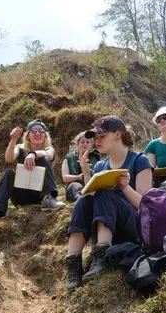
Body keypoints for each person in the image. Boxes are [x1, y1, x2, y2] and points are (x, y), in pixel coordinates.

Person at [65, 116, 152, 290]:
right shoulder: (100, 166)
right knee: (83, 199)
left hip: (132, 226)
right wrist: (85, 171)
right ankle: (73, 264)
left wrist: (125, 187)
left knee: (104, 193)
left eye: (102, 136)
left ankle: (102, 255)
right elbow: (91, 199)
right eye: (95, 137)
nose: (97, 141)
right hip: (105, 224)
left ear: (117, 134)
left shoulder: (139, 161)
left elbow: (145, 206)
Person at [0, 119, 66, 222]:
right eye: (34, 130)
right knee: (9, 173)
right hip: (21, 195)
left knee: (44, 159)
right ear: (28, 135)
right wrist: (13, 140)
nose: (38, 133)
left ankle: (48, 199)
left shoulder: (49, 149)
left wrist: (33, 154)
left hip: (39, 196)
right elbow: (9, 158)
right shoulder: (20, 148)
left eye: (41, 131)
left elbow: (49, 154)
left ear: (45, 136)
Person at [61, 131, 101, 202]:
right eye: (82, 142)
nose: (85, 144)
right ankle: (82, 201)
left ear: (91, 144)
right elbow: (65, 177)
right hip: (74, 186)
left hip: (92, 186)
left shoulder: (96, 157)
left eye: (88, 142)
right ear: (78, 144)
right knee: (76, 186)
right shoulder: (69, 158)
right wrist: (78, 177)